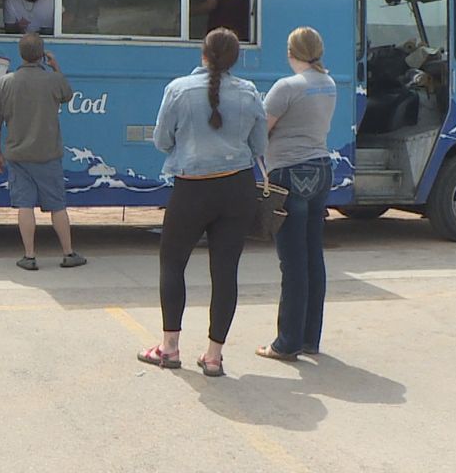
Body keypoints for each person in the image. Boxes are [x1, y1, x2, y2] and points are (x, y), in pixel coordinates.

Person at [139, 28, 266, 377]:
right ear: (235, 58)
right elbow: (259, 147)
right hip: (238, 188)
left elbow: (162, 140)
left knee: (173, 263)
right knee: (225, 273)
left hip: (192, 188)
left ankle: (169, 348)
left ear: (203, 54)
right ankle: (213, 356)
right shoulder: (250, 92)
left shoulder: (178, 89)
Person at [256, 27, 338, 362]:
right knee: (311, 256)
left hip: (289, 173)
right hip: (321, 169)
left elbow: (261, 130)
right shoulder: (328, 84)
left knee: (291, 262)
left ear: (292, 53)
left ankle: (286, 342)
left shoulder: (286, 87)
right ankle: (308, 337)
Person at [0, 32, 87, 271]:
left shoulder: (5, 82)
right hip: (48, 155)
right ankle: (68, 253)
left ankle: (30, 256)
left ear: (20, 54)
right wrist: (56, 67)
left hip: (17, 155)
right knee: (57, 206)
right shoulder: (52, 81)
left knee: (25, 205)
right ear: (42, 55)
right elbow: (68, 94)